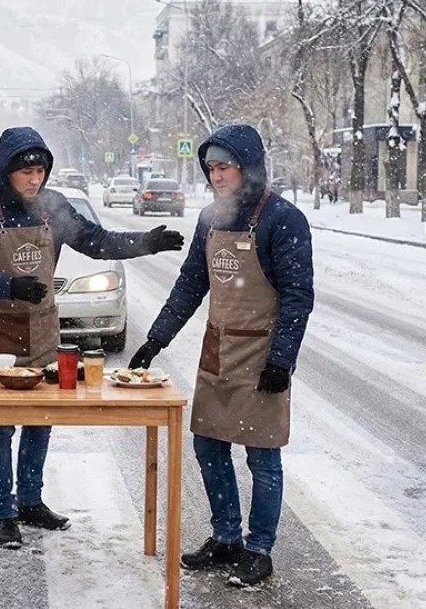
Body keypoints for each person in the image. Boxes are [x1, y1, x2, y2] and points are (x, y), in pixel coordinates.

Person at [0, 126, 185, 550]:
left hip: (41, 328)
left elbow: (96, 241)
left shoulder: (53, 208)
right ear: (6, 172)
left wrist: (145, 243)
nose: (34, 180)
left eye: (40, 171)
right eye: (25, 173)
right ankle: (4, 512)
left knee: (41, 418)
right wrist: (8, 286)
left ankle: (31, 500)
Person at [129, 124, 314, 587]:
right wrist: (157, 338)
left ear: (247, 167)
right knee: (208, 445)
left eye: (224, 167)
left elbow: (298, 295)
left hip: (262, 353)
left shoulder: (282, 219)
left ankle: (259, 548)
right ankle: (226, 536)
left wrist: (282, 360)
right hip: (218, 348)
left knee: (262, 455)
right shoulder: (211, 218)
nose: (216, 176)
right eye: (210, 168)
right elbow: (192, 282)